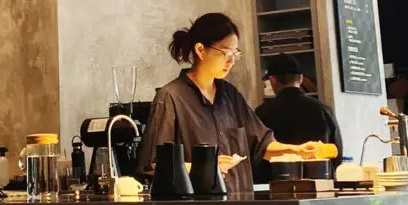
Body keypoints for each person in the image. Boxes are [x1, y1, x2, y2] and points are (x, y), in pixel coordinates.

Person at [137, 13, 322, 193]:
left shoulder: (230, 95)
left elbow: (262, 145)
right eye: (225, 53)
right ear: (200, 50)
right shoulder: (171, 97)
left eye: (235, 54)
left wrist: (298, 150)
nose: (231, 61)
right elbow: (153, 165)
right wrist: (205, 167)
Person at [253, 54, 344, 183]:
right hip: (318, 185)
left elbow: (256, 154)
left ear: (272, 80)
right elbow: (336, 153)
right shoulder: (323, 109)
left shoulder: (262, 111)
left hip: (274, 187)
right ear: (300, 79)